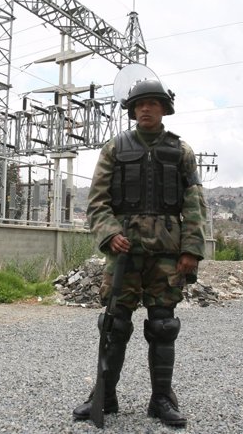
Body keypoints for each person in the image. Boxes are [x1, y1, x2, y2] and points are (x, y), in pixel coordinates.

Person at [72, 79, 207, 427]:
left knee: (163, 325)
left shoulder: (182, 151)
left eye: (153, 103)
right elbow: (97, 202)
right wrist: (109, 234)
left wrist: (191, 249)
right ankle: (105, 396)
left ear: (164, 108)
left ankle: (161, 399)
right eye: (139, 104)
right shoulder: (114, 149)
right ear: (132, 111)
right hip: (124, 252)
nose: (145, 109)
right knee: (114, 324)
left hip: (167, 254)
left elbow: (194, 204)